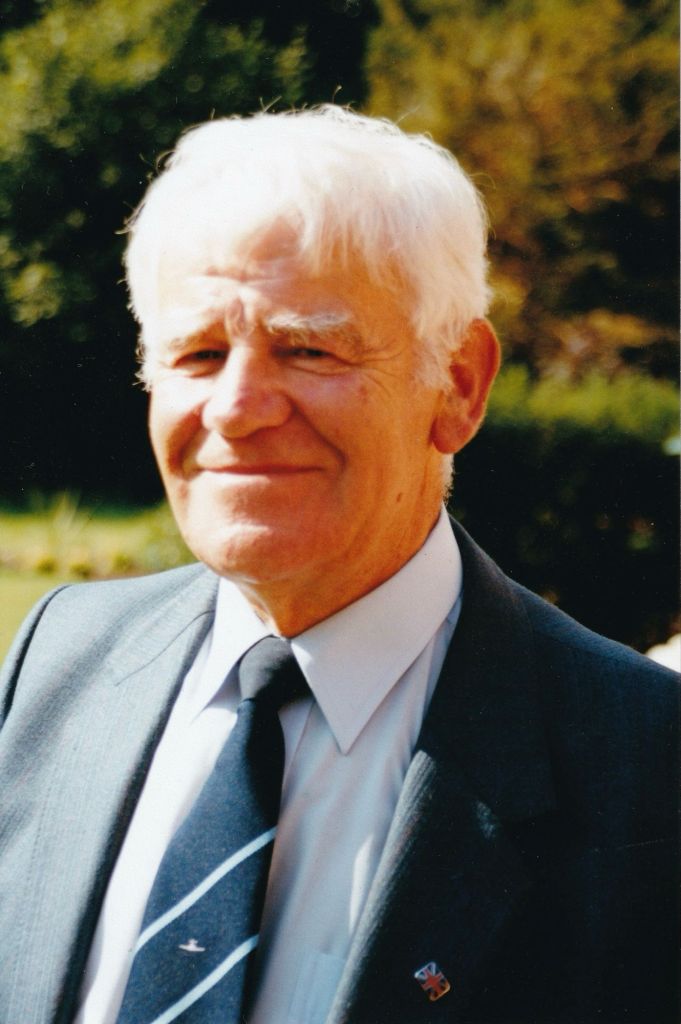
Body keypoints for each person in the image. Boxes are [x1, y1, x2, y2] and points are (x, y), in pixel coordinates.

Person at [0, 106, 677, 1024]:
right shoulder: (58, 660)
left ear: (458, 384)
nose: (236, 408)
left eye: (307, 348)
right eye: (199, 353)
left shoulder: (642, 764)